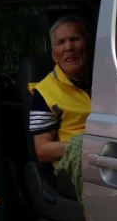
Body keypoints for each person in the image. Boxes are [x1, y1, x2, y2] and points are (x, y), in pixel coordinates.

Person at [28, 15, 94, 203]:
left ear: (89, 46)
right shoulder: (45, 92)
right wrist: (89, 145)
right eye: (61, 42)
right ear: (54, 55)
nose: (68, 47)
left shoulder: (111, 78)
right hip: (73, 163)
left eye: (74, 39)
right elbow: (42, 150)